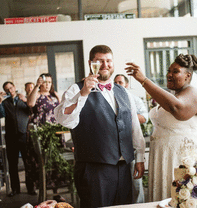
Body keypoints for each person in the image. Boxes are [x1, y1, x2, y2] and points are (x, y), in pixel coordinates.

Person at [125, 54, 197, 202]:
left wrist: (144, 81)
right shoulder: (174, 95)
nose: (169, 74)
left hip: (184, 162)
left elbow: (178, 109)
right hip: (166, 160)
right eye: (169, 71)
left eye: (175, 71)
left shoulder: (194, 93)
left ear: (188, 75)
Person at [54, 45, 145, 208]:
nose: (105, 65)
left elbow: (133, 126)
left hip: (124, 166)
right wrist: (83, 93)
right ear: (90, 63)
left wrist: (139, 157)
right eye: (100, 61)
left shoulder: (123, 92)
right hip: (93, 168)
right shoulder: (76, 89)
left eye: (108, 60)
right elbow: (64, 119)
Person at [114, 74, 148, 203]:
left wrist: (126, 117)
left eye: (120, 82)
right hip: (117, 147)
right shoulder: (111, 98)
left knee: (136, 182)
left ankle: (139, 204)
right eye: (116, 82)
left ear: (126, 84)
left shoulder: (134, 99)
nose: (118, 84)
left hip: (131, 143)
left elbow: (145, 117)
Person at [26, 73, 61, 196]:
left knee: (55, 160)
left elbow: (61, 110)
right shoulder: (37, 94)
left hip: (55, 133)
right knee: (39, 160)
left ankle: (55, 189)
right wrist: (36, 86)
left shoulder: (54, 95)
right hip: (41, 132)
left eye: (50, 82)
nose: (47, 85)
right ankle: (40, 188)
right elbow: (30, 104)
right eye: (45, 82)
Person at [0, 81, 36, 196]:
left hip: (24, 135)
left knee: (28, 163)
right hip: (11, 137)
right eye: (7, 90)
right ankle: (15, 189)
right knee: (13, 164)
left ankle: (31, 188)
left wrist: (25, 100)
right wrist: (0, 101)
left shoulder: (24, 99)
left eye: (10, 88)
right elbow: (1, 114)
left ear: (14, 87)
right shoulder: (5, 103)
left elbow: (33, 111)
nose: (9, 91)